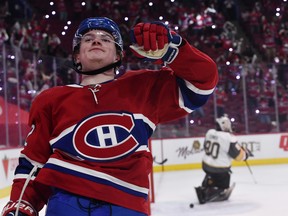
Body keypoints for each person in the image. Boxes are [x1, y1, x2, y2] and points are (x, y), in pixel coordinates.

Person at [1, 17, 218, 216]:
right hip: (66, 202)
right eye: (88, 38)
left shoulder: (144, 85)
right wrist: (21, 204)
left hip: (128, 204)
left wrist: (173, 49)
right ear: (77, 55)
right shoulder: (51, 98)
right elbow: (33, 162)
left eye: (106, 38)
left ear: (118, 55)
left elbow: (203, 81)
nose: (96, 41)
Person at [195, 115, 252, 204]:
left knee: (212, 174)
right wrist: (246, 155)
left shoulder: (209, 132)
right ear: (224, 126)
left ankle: (206, 185)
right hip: (220, 168)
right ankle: (211, 193)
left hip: (205, 165)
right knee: (223, 182)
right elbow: (238, 156)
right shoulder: (229, 137)